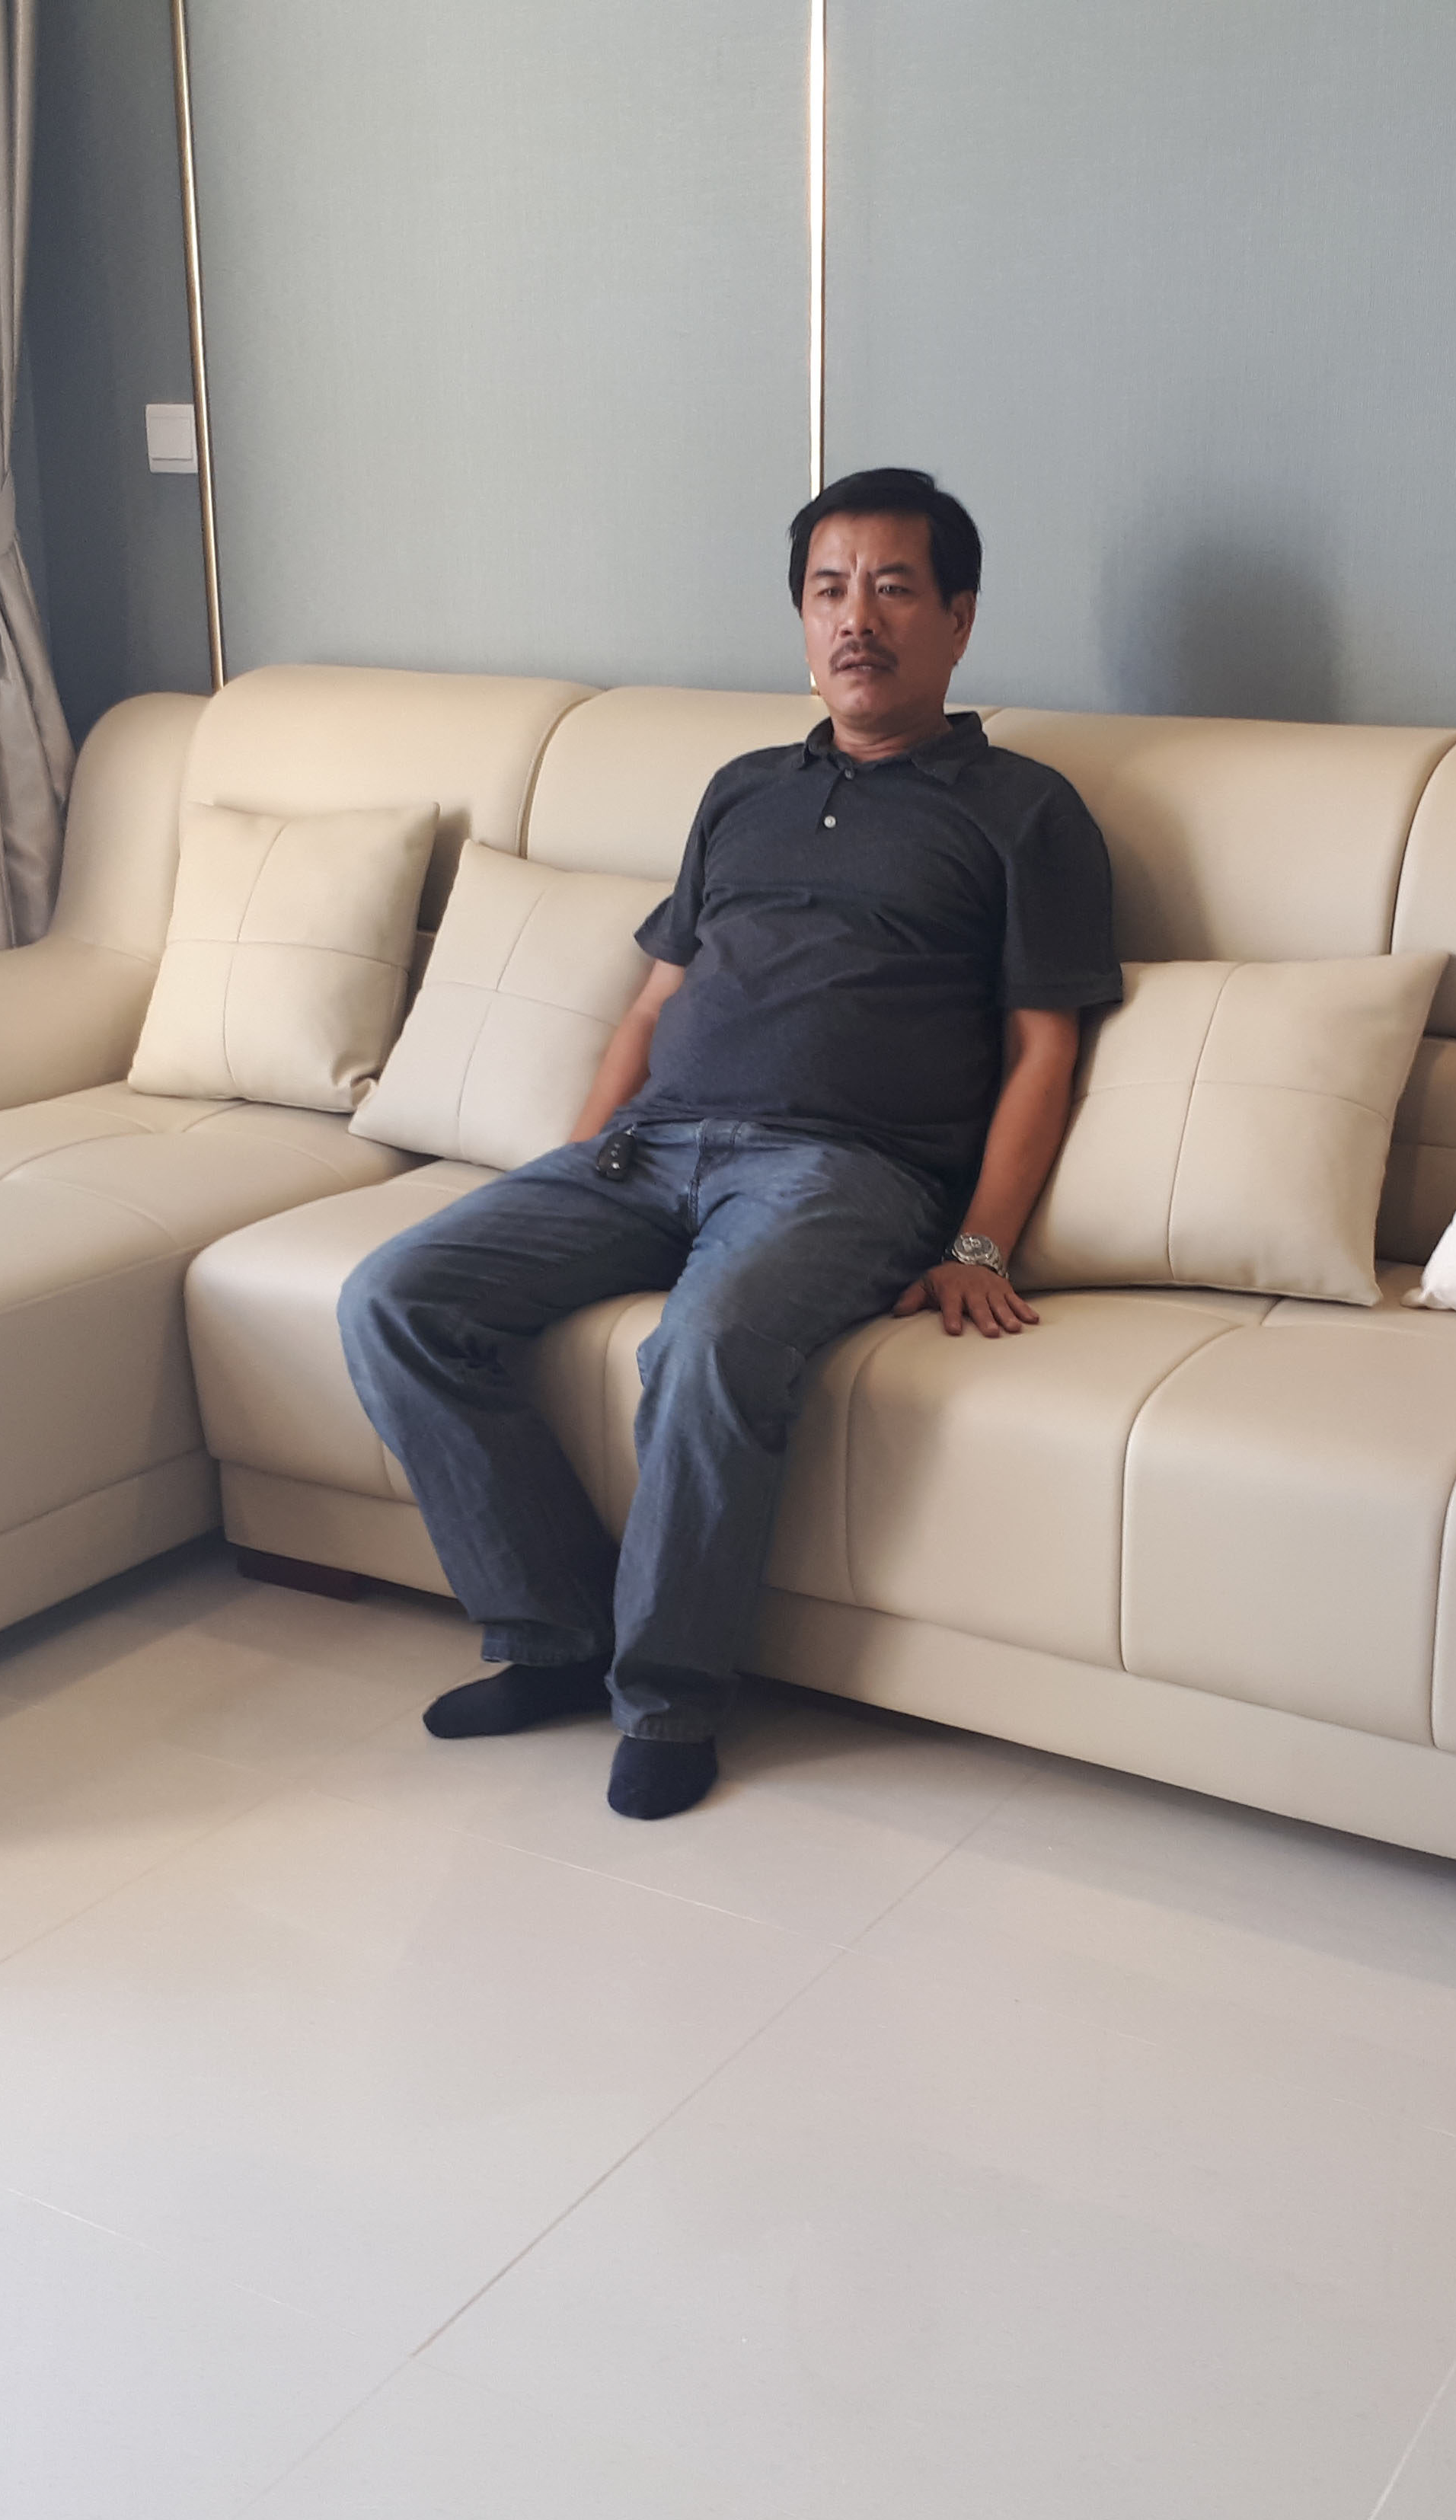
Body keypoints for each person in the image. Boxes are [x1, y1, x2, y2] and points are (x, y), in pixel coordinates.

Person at [337, 467, 1120, 1819]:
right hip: (645, 1153)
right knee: (393, 1298)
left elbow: (1045, 1050)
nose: (855, 620)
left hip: (844, 1172)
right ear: (802, 617)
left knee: (704, 1347)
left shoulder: (1023, 810)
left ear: (958, 618)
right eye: (829, 591)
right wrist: (576, 1156)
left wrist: (984, 1243)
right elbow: (657, 999)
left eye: (892, 588)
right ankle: (551, 1634)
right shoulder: (743, 788)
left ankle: (670, 1698)